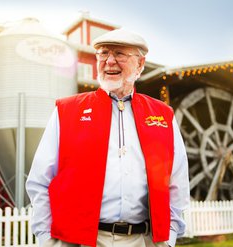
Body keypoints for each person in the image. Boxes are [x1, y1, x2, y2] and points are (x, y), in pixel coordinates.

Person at [26, 28, 190, 247]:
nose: (110, 61)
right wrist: (47, 238)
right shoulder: (67, 110)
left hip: (145, 240)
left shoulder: (162, 115)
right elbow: (40, 180)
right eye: (103, 54)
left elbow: (177, 181)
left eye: (120, 54)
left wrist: (169, 236)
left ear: (140, 64)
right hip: (80, 240)